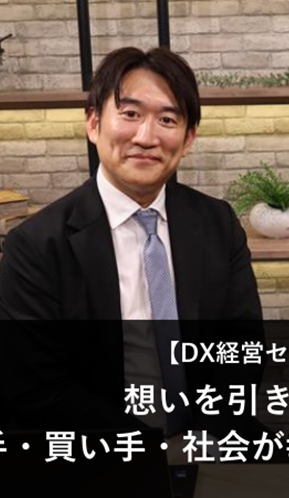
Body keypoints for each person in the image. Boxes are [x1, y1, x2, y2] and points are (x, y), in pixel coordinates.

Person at [0, 47, 265, 460]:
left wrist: (206, 440)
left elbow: (242, 350)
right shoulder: (36, 245)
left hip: (210, 440)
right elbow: (39, 388)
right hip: (96, 451)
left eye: (168, 120)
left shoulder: (218, 223)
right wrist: (153, 452)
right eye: (130, 114)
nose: (146, 137)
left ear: (188, 138)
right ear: (93, 123)